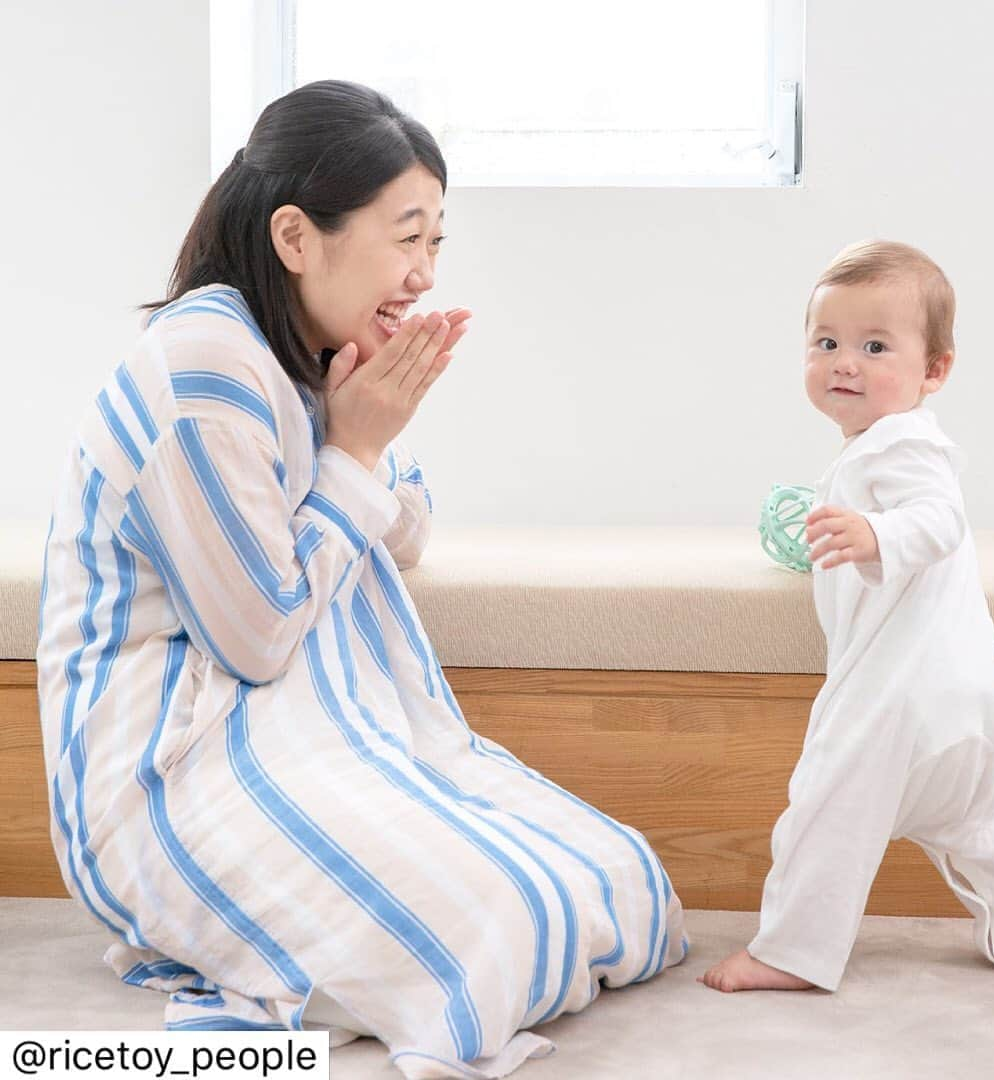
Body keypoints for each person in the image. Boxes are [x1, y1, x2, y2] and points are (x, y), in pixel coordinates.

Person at [36, 80, 687, 1078]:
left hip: (309, 736)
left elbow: (402, 534)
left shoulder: (298, 358)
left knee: (623, 881)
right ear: (298, 237)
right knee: (495, 927)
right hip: (174, 772)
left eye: (437, 243)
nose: (424, 274)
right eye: (406, 237)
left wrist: (366, 432)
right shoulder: (204, 364)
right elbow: (255, 638)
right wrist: (354, 449)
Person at [700, 239, 994, 994]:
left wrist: (875, 533)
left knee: (824, 815)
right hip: (961, 698)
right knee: (987, 829)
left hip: (894, 697)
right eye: (827, 342)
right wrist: (838, 535)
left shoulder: (901, 444)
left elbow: (940, 521)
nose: (845, 361)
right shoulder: (878, 448)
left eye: (876, 346)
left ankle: (793, 952)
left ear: (933, 370)